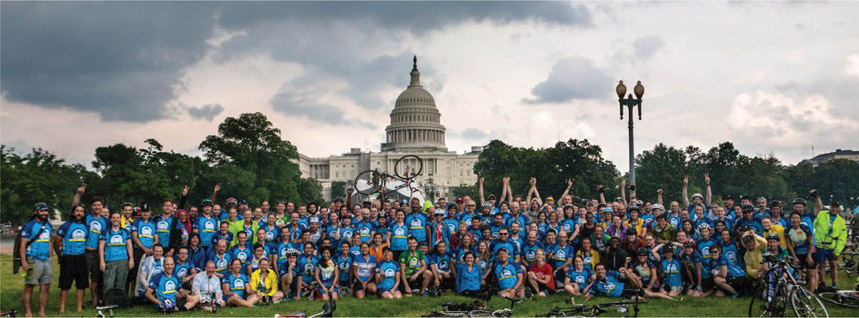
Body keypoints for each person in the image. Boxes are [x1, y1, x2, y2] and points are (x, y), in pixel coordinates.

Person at [53, 204, 88, 314]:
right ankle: (62, 309)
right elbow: (56, 242)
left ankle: (79, 308)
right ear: (73, 213)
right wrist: (60, 255)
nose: (79, 213)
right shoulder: (66, 225)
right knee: (65, 285)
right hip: (68, 257)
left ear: (84, 214)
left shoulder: (86, 226)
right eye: (77, 211)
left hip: (81, 257)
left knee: (81, 284)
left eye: (81, 211)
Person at [21, 202, 54, 317]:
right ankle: (28, 312)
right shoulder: (30, 225)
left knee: (45, 286)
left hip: (46, 260)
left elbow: (49, 241)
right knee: (29, 285)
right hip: (33, 259)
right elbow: (23, 244)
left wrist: (50, 256)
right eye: (42, 211)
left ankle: (41, 311)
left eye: (46, 211)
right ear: (36, 212)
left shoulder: (48, 225)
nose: (44, 213)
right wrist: (24, 261)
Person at [99, 211, 134, 299]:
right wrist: (102, 261)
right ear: (110, 219)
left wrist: (131, 258)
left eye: (118, 218)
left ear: (120, 219)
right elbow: (101, 247)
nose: (116, 220)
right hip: (110, 260)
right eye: (113, 218)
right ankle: (107, 301)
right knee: (108, 283)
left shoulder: (125, 231)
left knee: (121, 283)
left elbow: (129, 245)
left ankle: (119, 302)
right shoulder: (105, 232)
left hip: (123, 260)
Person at [814, 200, 847, 291]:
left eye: (836, 207)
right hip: (820, 245)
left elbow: (842, 237)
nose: (834, 209)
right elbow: (814, 224)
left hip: (832, 246)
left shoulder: (841, 221)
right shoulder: (822, 214)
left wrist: (837, 251)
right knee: (822, 264)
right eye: (833, 207)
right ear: (830, 207)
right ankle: (823, 283)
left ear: (839, 208)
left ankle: (834, 284)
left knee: (833, 264)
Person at [785, 211, 819, 292]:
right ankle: (798, 292)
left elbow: (811, 242)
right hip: (798, 253)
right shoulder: (788, 230)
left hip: (810, 253)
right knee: (798, 274)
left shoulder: (805, 228)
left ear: (800, 219)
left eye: (797, 218)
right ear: (790, 219)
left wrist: (809, 256)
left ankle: (812, 294)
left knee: (811, 274)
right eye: (793, 218)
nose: (795, 220)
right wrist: (794, 257)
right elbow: (789, 244)